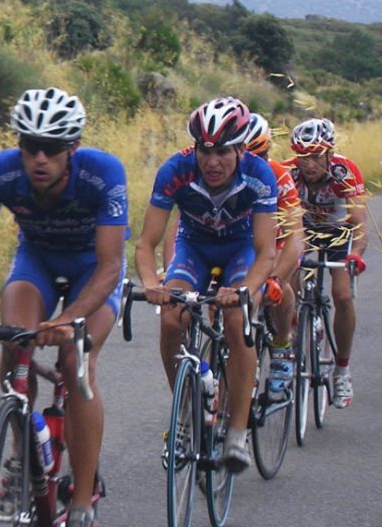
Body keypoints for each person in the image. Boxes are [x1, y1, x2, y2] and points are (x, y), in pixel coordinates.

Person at [0, 88, 127, 527]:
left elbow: (110, 266)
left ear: (73, 147)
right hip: (38, 262)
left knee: (75, 362)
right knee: (16, 342)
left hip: (92, 269)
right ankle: (21, 456)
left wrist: (69, 318)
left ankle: (83, 504)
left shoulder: (103, 172)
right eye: (30, 146)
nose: (40, 158)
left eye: (52, 148)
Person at [134, 97, 277, 474]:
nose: (212, 162)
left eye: (223, 152)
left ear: (241, 150)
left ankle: (237, 433)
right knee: (170, 319)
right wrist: (151, 283)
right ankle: (183, 412)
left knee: (237, 322)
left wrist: (244, 290)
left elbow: (266, 252)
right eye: (205, 150)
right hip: (193, 247)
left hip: (241, 250)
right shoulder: (175, 170)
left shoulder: (260, 174)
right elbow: (146, 243)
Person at [281, 117, 368, 407]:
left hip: (339, 232)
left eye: (316, 156)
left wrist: (356, 255)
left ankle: (342, 370)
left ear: (330, 153)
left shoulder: (345, 172)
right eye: (303, 156)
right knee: (287, 273)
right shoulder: (288, 173)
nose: (309, 164)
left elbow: (359, 226)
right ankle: (293, 325)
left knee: (342, 295)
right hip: (304, 231)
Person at [242, 113, 305, 402]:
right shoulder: (219, 173)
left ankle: (281, 345)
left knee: (279, 289)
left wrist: (277, 278)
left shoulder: (279, 174)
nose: (255, 164)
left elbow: (295, 235)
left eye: (261, 156)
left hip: (276, 239)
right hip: (240, 241)